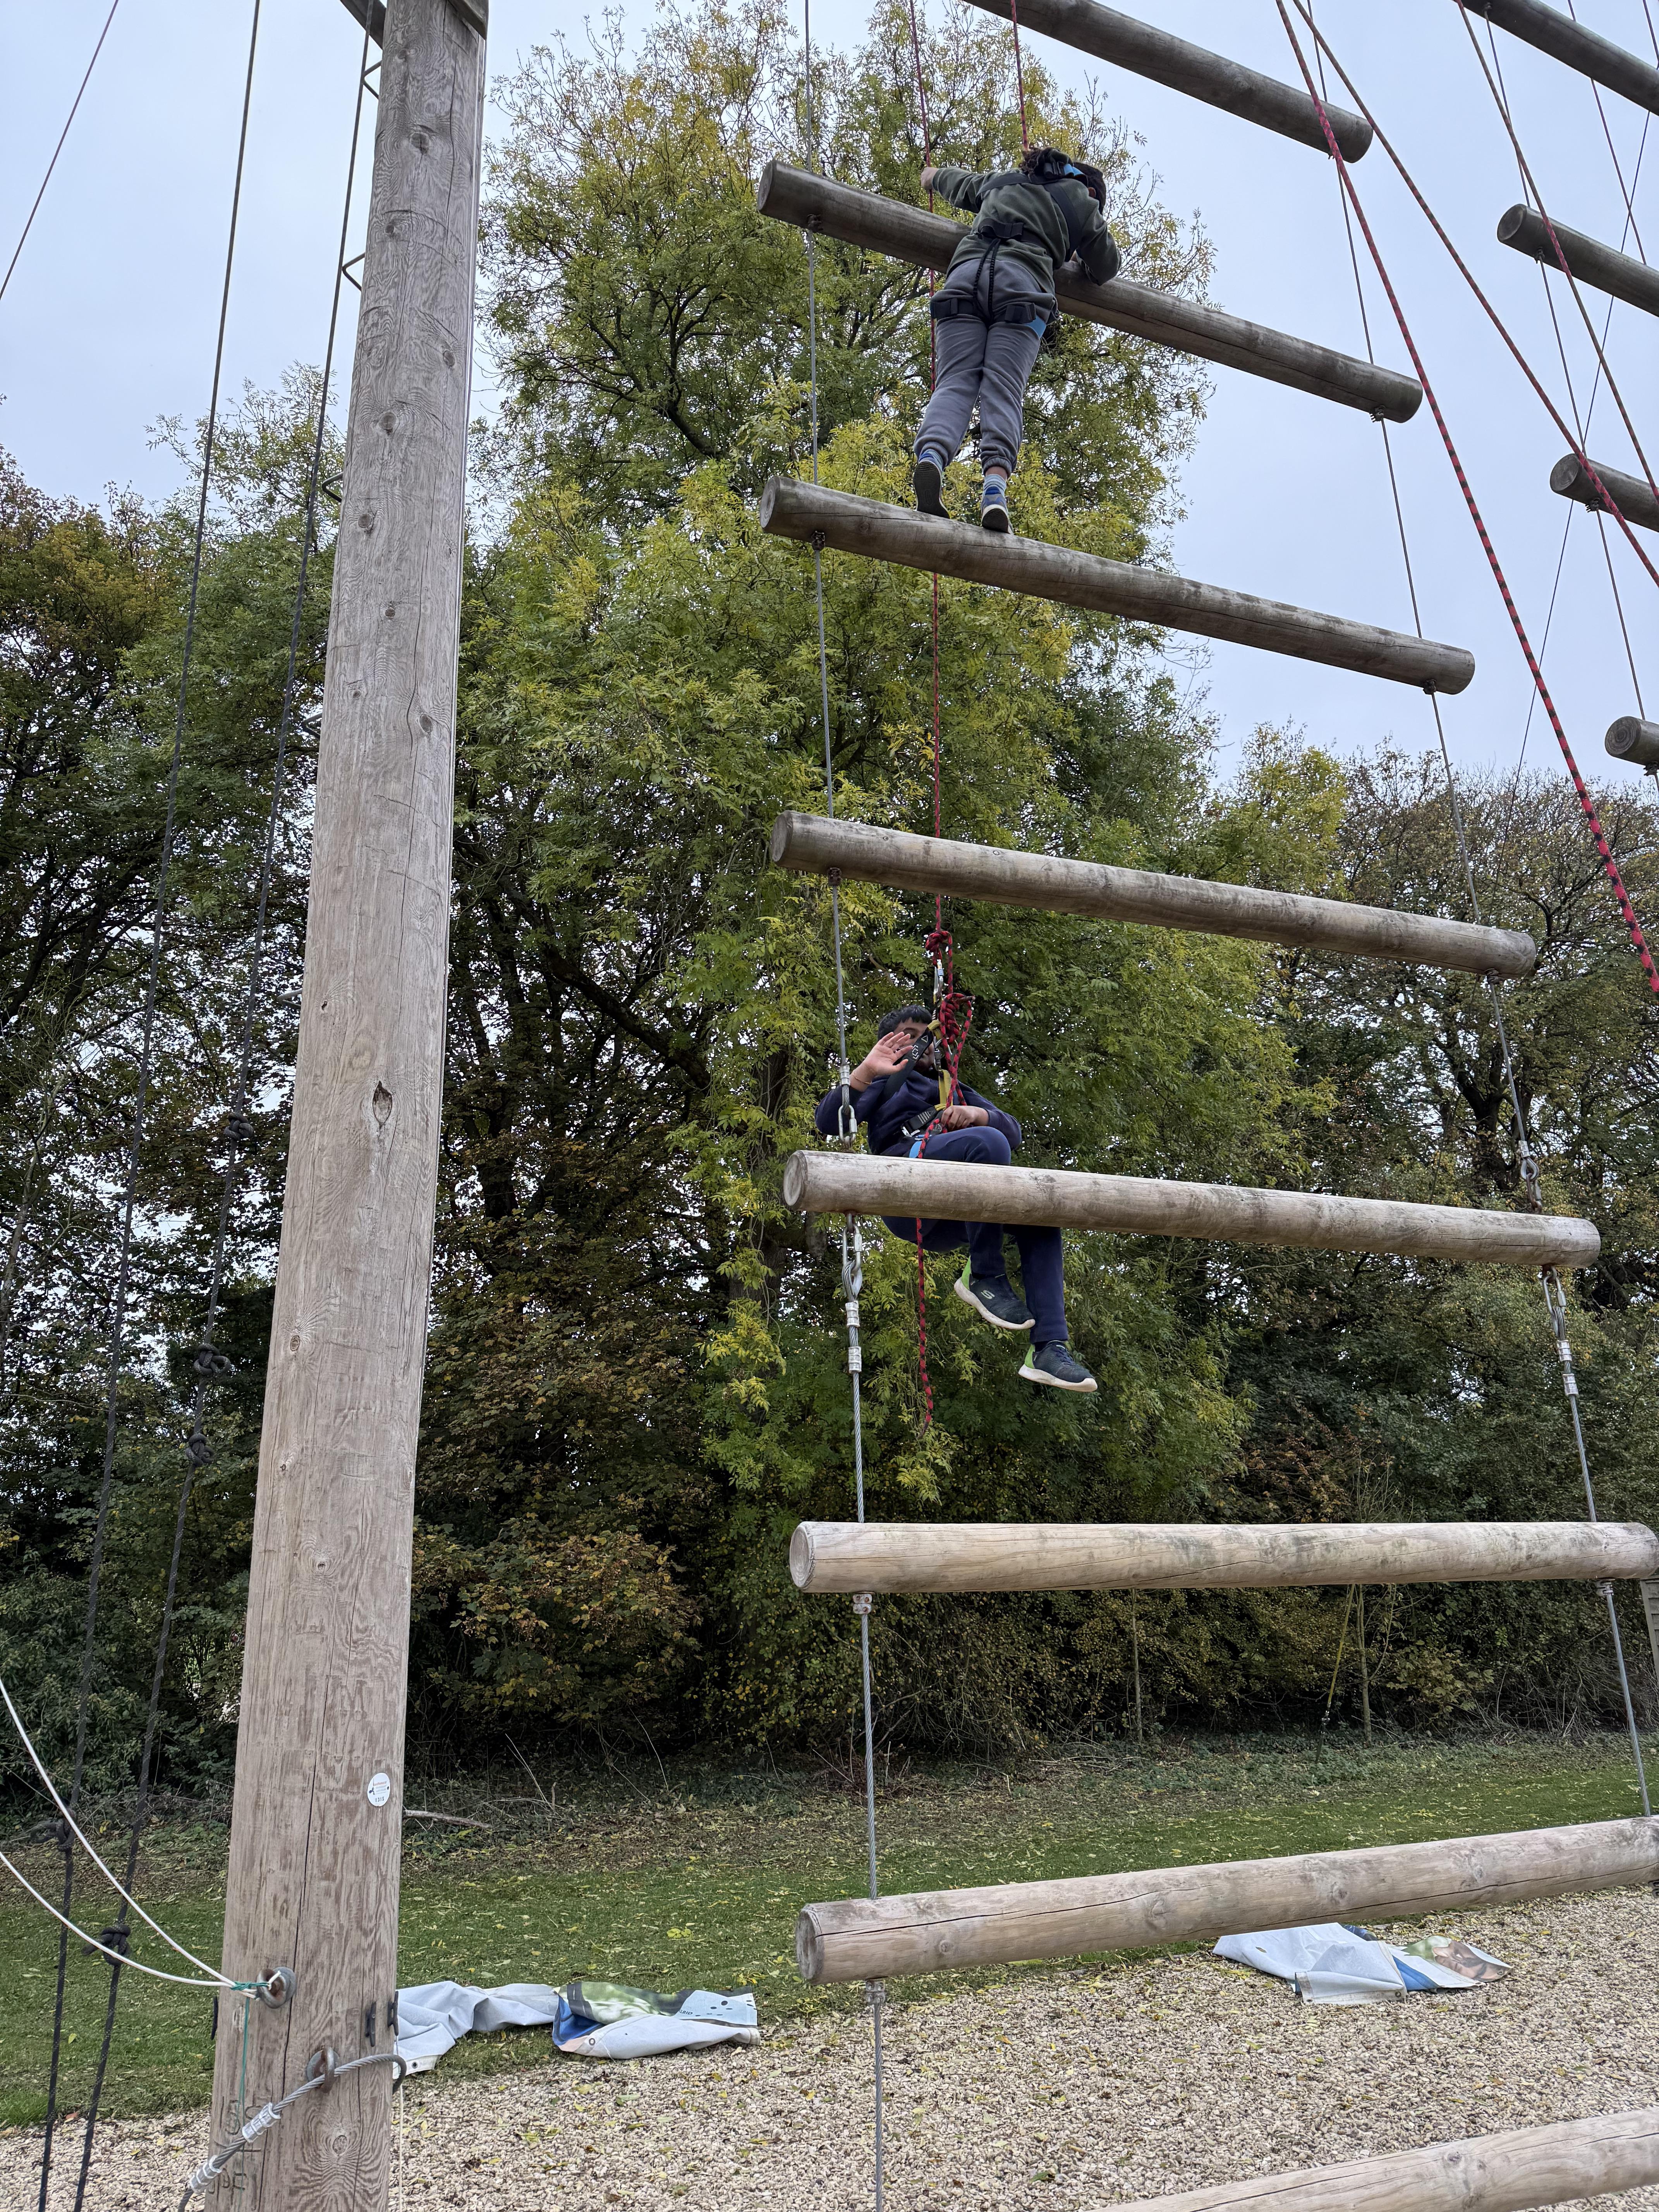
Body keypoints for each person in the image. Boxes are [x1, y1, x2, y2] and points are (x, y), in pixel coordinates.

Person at [814, 1005, 1098, 1392]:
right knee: (989, 1144)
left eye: (928, 1035)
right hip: (907, 1191)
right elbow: (829, 1123)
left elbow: (1013, 1131)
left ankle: (1049, 1348)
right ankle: (984, 1274)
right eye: (911, 1037)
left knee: (1041, 1219)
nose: (925, 1043)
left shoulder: (953, 1087)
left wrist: (976, 1115)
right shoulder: (885, 1082)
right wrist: (867, 1071)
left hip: (958, 1212)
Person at [912, 145, 1119, 535]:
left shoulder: (1003, 181)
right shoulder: (1082, 200)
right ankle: (994, 490)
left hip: (965, 278)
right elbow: (1106, 265)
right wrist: (1077, 253)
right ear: (1090, 189)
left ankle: (932, 457)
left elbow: (955, 182)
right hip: (1023, 291)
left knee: (955, 381)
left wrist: (931, 176)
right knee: (1003, 390)